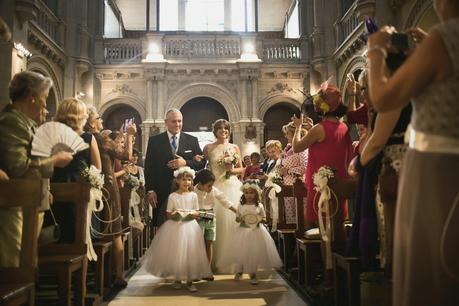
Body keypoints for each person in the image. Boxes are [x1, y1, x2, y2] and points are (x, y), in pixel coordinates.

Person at [367, 1, 459, 304]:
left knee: (432, 264)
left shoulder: (445, 37)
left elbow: (383, 98)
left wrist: (376, 50)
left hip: (438, 169)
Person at [0, 71, 72, 267]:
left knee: (28, 265)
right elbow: (18, 167)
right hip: (14, 209)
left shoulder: (26, 123)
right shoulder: (13, 122)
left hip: (29, 205)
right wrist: (55, 160)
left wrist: (44, 188)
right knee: (15, 267)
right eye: (44, 97)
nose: (44, 105)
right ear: (32, 97)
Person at [84, 106, 136, 288]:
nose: (101, 121)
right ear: (91, 121)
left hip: (87, 187)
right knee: (115, 231)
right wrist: (129, 135)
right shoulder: (100, 138)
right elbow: (126, 155)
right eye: (98, 117)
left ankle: (94, 273)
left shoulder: (81, 137)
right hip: (106, 188)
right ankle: (119, 276)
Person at [143, 166, 211, 292]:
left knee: (191, 253)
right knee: (178, 253)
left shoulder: (193, 196)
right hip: (176, 227)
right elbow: (168, 213)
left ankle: (190, 280)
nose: (187, 182)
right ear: (177, 181)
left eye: (189, 179)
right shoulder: (173, 196)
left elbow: (197, 212)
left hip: (190, 227)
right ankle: (178, 279)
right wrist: (175, 214)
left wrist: (192, 214)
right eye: (184, 179)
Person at [144, 108, 206, 226]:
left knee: (184, 224)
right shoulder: (154, 141)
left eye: (179, 121)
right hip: (161, 190)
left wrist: (185, 163)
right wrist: (150, 190)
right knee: (161, 224)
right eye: (173, 121)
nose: (177, 124)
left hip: (185, 191)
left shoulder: (192, 140)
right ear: (166, 122)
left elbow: (201, 163)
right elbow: (149, 167)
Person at [216, 179, 282, 284]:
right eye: (246, 193)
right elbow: (237, 218)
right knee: (241, 252)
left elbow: (264, 218)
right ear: (243, 194)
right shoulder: (241, 205)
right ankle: (239, 271)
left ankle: (253, 274)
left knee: (253, 253)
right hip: (243, 231)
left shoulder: (259, 206)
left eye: (251, 193)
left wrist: (258, 219)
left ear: (256, 194)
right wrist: (241, 218)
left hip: (256, 231)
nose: (249, 195)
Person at [203, 119, 244, 269]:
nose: (223, 131)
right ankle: (213, 260)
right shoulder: (208, 148)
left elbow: (241, 169)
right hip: (216, 187)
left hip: (232, 186)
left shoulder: (235, 147)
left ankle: (234, 259)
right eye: (220, 128)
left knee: (233, 222)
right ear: (215, 131)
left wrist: (231, 170)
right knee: (217, 224)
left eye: (226, 128)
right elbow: (206, 168)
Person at [194, 169, 237, 280]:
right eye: (208, 186)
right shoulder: (193, 191)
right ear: (200, 184)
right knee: (198, 245)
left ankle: (207, 271)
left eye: (212, 185)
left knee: (209, 243)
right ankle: (197, 270)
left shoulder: (213, 190)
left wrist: (236, 211)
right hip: (198, 220)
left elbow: (224, 200)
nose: (211, 188)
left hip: (211, 219)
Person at [279, 122, 308, 224]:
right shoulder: (289, 148)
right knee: (290, 218)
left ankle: (300, 236)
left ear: (295, 133)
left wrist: (288, 171)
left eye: (287, 133)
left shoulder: (302, 147)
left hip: (298, 185)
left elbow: (305, 166)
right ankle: (291, 237)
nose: (285, 136)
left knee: (299, 217)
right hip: (287, 186)